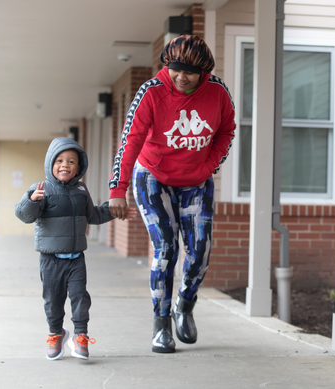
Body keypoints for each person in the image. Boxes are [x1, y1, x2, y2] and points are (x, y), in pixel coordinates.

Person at [108, 35, 235, 353]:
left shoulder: (217, 92)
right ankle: (161, 321)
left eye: (190, 72)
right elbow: (130, 139)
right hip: (153, 177)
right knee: (165, 249)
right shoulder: (151, 91)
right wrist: (117, 189)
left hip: (196, 180)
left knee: (200, 252)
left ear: (203, 72)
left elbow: (227, 130)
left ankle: (184, 304)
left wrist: (207, 167)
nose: (181, 77)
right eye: (176, 70)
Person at [15, 137, 136, 361]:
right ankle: (56, 333)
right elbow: (23, 215)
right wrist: (32, 200)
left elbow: (93, 215)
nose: (65, 165)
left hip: (76, 258)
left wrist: (113, 210)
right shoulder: (40, 189)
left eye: (71, 161)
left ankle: (81, 335)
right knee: (53, 299)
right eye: (59, 160)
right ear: (50, 164)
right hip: (50, 259)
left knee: (80, 297)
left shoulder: (81, 190)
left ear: (79, 167)